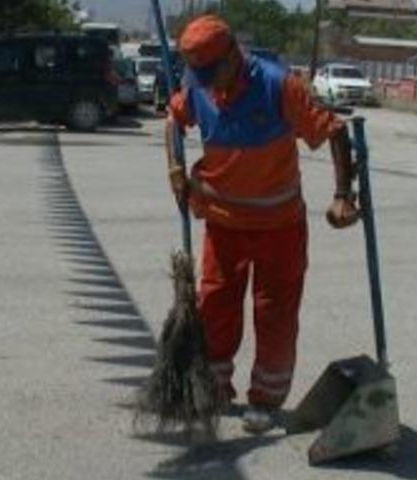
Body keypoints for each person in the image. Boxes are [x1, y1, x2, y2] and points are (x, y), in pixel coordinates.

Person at [164, 15, 360, 434]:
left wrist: (344, 195)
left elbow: (335, 131)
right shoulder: (198, 86)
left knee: (274, 312)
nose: (206, 82)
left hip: (279, 225)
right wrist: (175, 168)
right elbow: (173, 119)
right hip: (221, 222)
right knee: (214, 305)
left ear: (233, 54)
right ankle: (214, 388)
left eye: (211, 71)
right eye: (199, 74)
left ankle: (266, 400)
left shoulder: (279, 85)